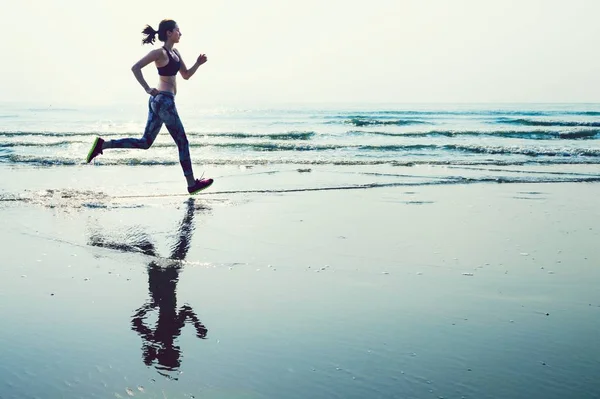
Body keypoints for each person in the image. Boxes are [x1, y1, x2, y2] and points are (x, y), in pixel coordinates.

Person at [86, 19, 213, 195]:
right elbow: (135, 67)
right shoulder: (159, 53)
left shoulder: (175, 53)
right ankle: (191, 184)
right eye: (178, 30)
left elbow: (186, 75)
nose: (180, 33)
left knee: (145, 142)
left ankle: (103, 145)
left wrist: (198, 64)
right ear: (169, 33)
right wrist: (147, 88)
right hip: (163, 101)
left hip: (160, 102)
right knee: (182, 141)